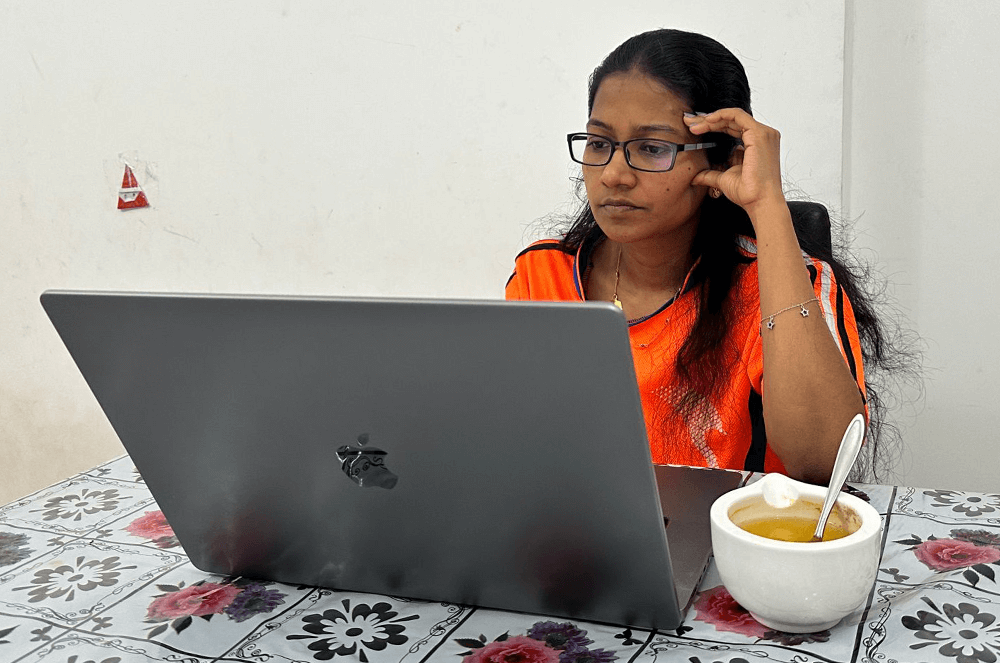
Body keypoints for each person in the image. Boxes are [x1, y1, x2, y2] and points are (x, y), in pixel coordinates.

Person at [506, 29, 887, 485]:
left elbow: (821, 459)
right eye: (599, 143)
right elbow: (521, 443)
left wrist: (766, 203)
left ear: (719, 161)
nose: (613, 175)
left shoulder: (786, 282)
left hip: (734, 544)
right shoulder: (542, 273)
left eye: (652, 148)